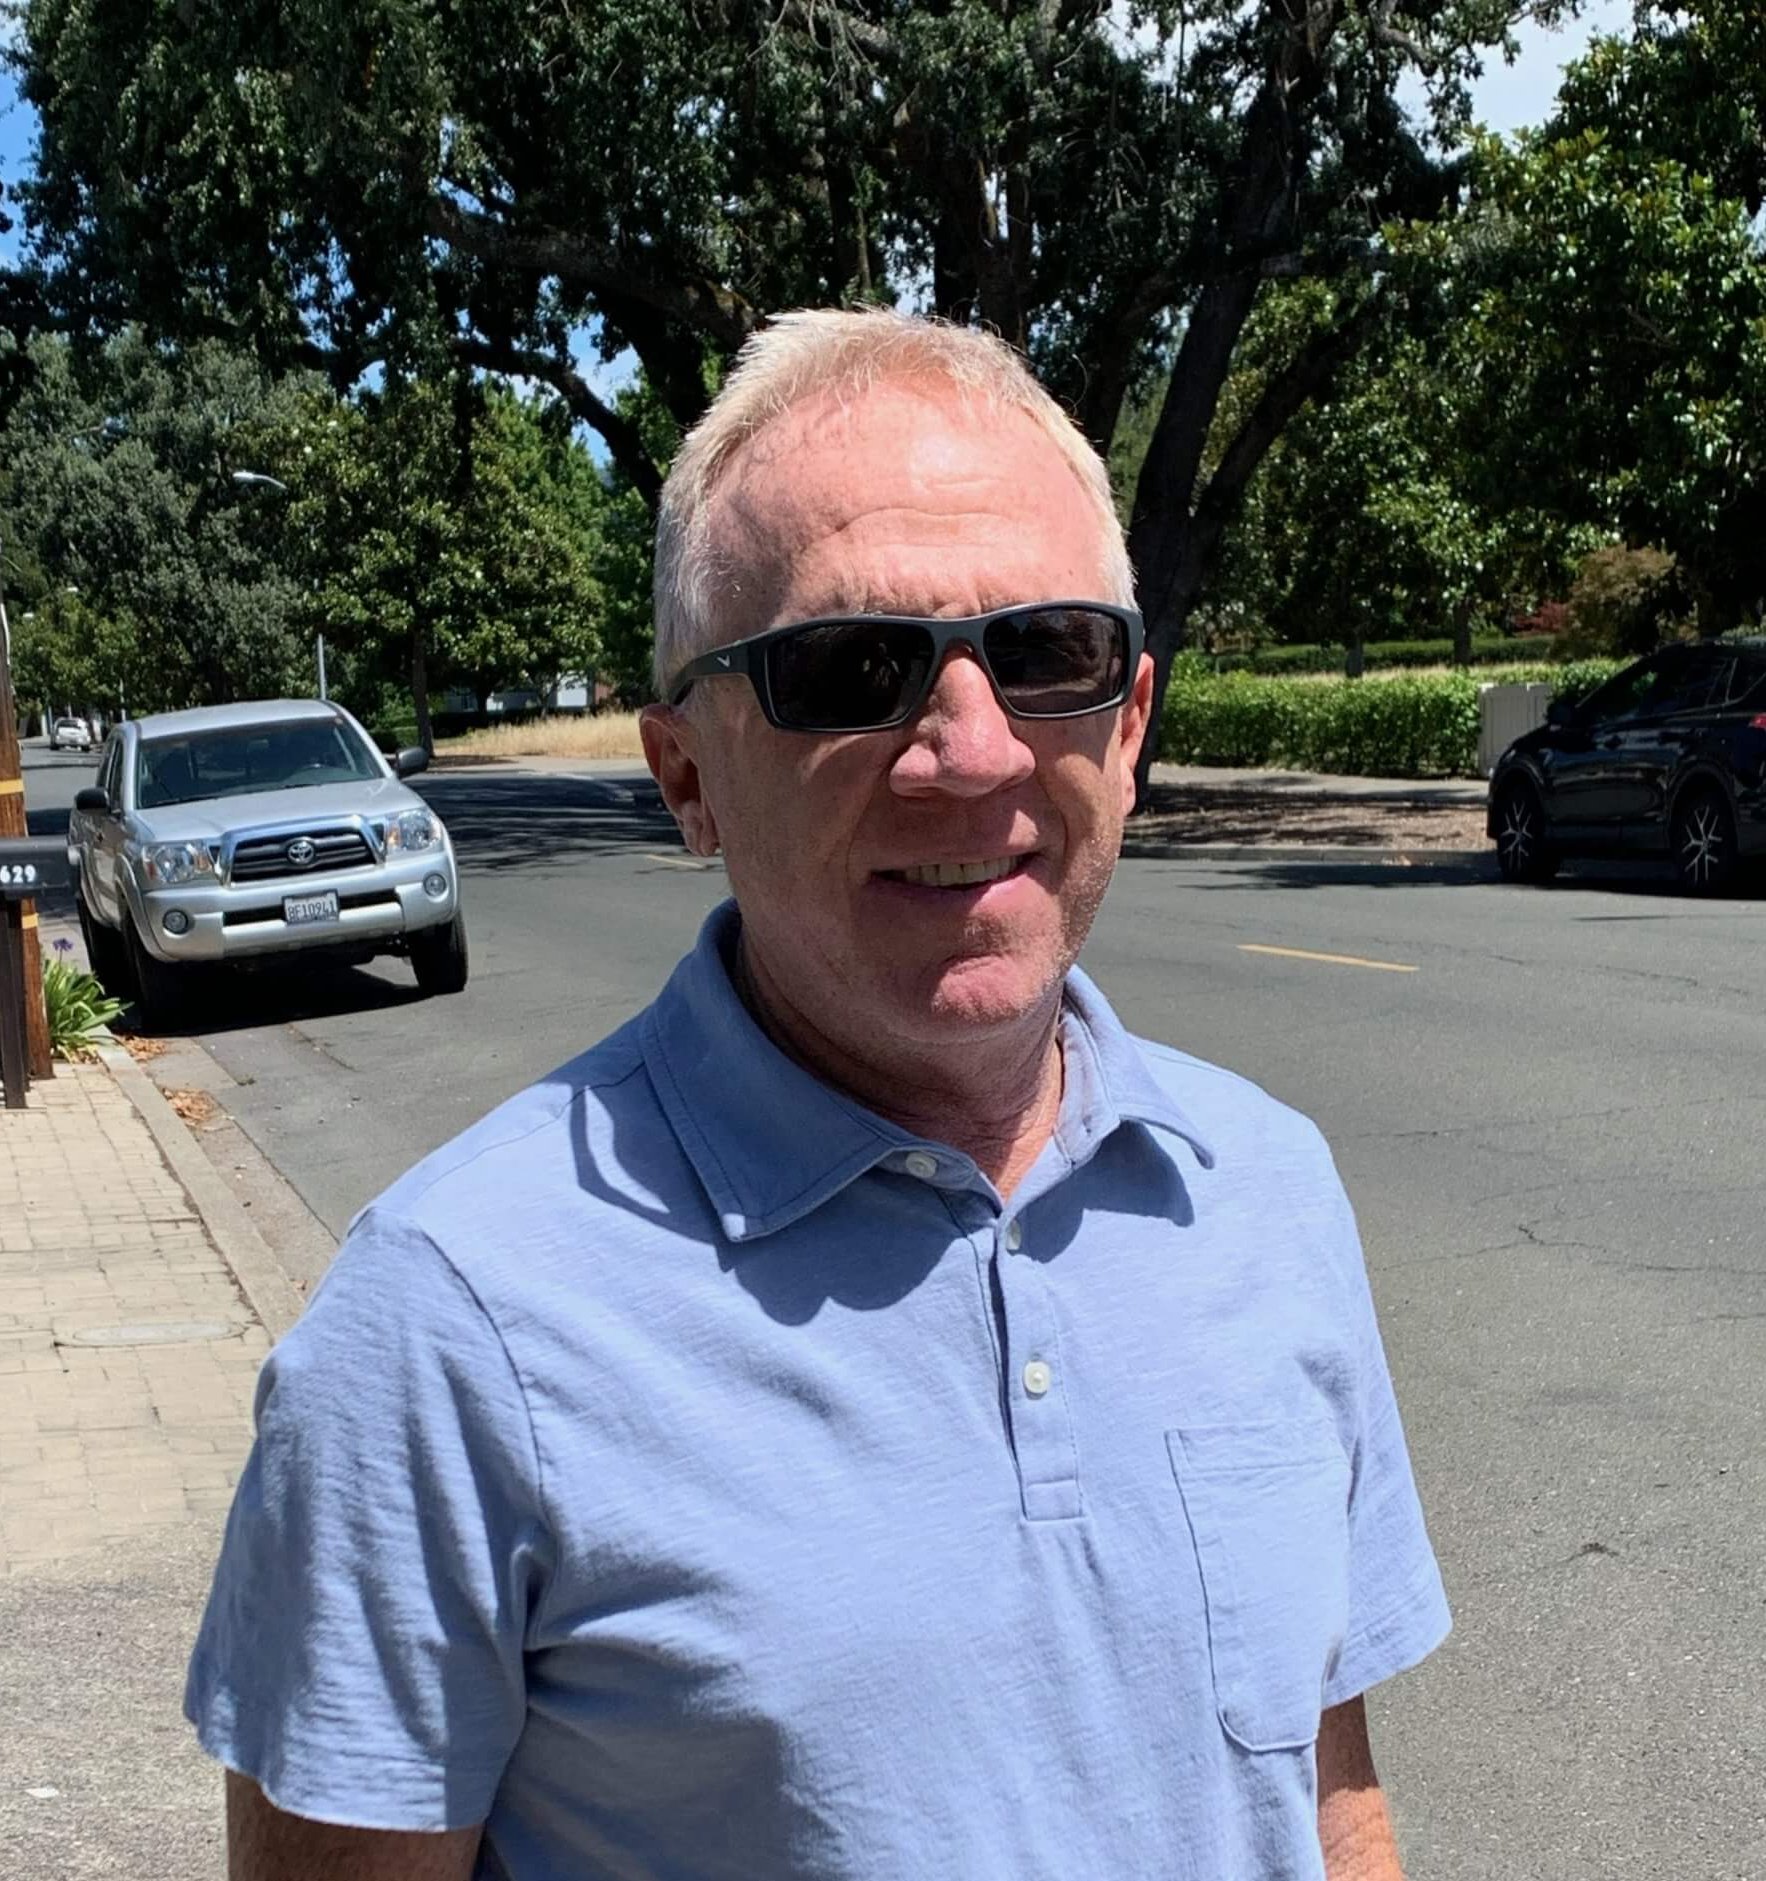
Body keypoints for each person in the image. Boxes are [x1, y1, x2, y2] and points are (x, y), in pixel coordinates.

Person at [186, 308, 1449, 1880]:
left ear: (1128, 724)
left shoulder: (1260, 1186)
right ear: (685, 776)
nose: (970, 751)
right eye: (849, 670)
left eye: (1046, 653)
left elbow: (1324, 1798)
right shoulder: (444, 1325)